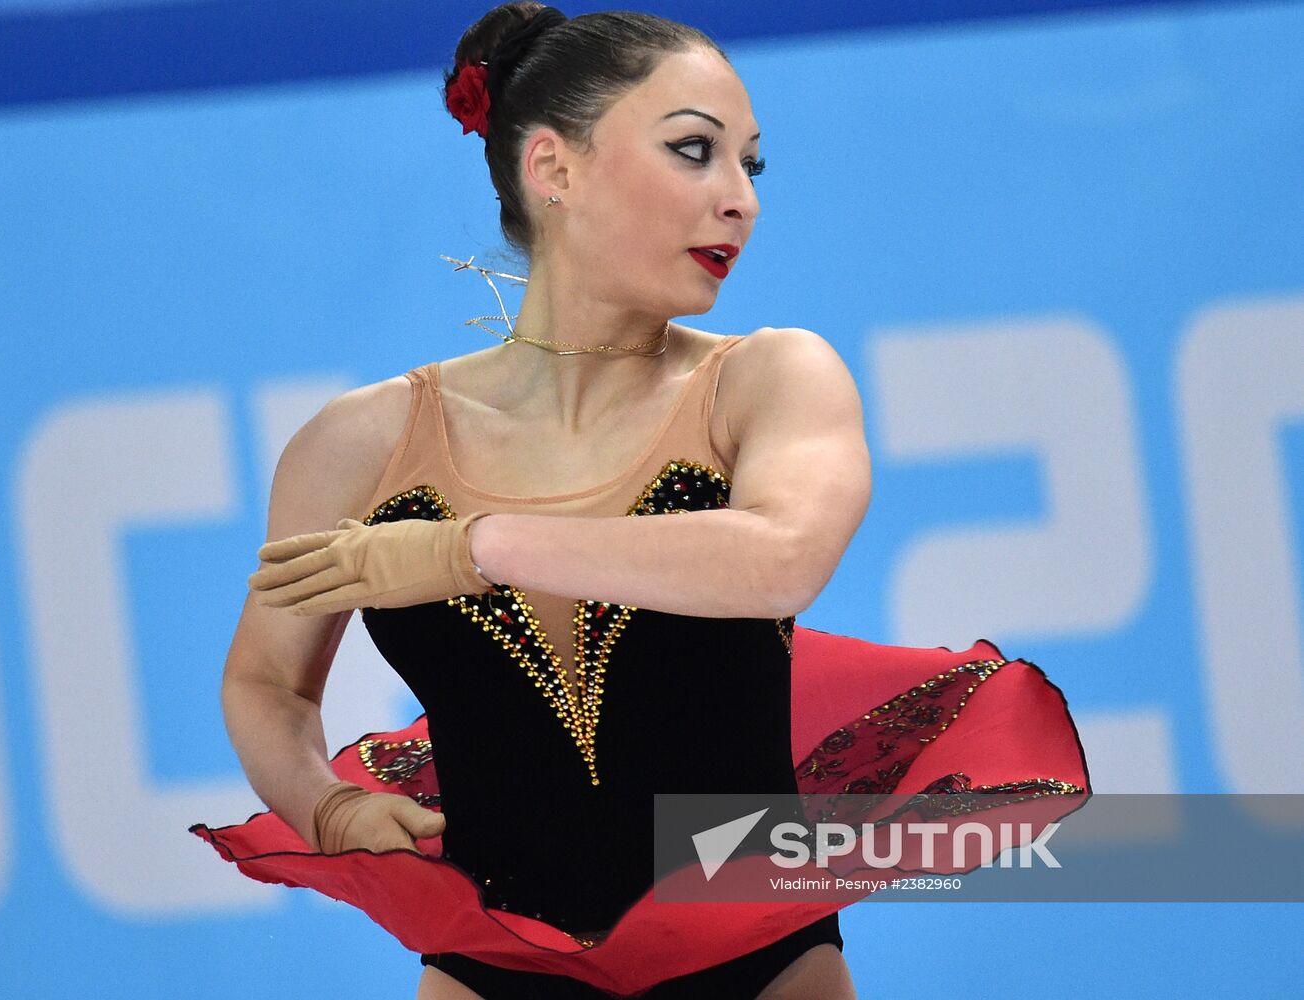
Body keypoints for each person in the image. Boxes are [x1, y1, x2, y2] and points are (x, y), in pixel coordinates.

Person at [192, 5, 1090, 999]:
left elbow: (780, 556)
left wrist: (474, 547)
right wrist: (325, 810)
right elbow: (265, 683)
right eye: (695, 152)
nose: (739, 200)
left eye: (752, 165)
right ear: (553, 170)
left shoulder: (767, 380)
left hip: (762, 969)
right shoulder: (357, 445)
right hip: (489, 968)